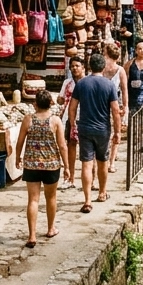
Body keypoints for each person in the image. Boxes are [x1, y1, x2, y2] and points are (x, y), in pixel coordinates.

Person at [14, 90, 70, 249]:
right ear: (50, 103)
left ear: (35, 104)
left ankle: (32, 235)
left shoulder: (28, 120)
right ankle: (51, 228)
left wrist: (18, 157)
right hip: (51, 165)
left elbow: (20, 142)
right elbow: (62, 146)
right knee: (51, 198)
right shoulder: (55, 121)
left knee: (33, 200)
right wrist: (66, 166)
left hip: (31, 164)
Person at [67, 53, 122, 213]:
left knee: (86, 163)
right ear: (103, 67)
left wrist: (72, 125)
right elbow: (115, 110)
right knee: (102, 162)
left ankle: (87, 200)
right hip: (102, 129)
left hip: (84, 127)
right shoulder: (109, 85)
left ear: (89, 67)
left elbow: (72, 107)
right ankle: (102, 193)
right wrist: (117, 131)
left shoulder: (82, 84)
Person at [57, 56, 86, 188]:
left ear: (83, 67)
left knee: (88, 149)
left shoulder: (87, 82)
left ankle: (92, 179)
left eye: (77, 66)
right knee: (71, 146)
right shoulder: (67, 83)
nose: (75, 68)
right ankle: (71, 178)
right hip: (70, 118)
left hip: (86, 117)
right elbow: (61, 99)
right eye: (72, 66)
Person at [102, 42, 129, 172]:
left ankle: (111, 161)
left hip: (114, 103)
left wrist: (125, 105)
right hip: (106, 103)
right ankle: (108, 161)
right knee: (108, 133)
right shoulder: (102, 68)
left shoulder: (120, 70)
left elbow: (124, 89)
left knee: (116, 132)